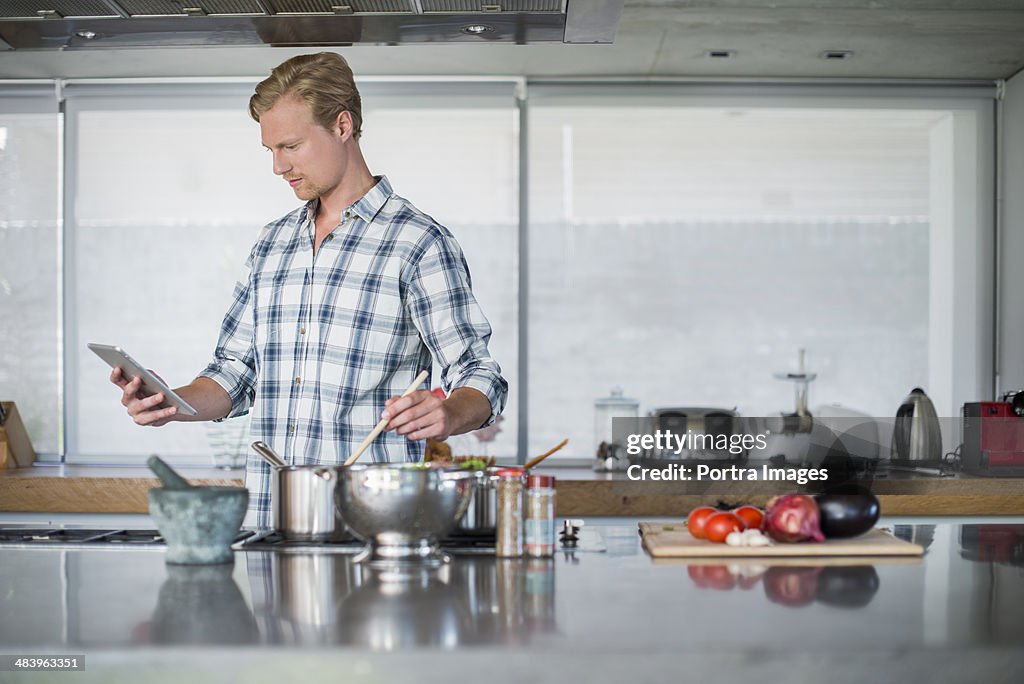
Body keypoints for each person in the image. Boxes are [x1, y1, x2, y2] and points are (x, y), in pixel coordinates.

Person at [110, 52, 508, 527]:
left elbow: (480, 374)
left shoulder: (417, 243)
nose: (279, 166)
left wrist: (449, 412)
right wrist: (172, 403)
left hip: (371, 527)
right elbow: (234, 373)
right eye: (270, 151)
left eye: (291, 146)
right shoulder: (272, 244)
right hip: (272, 523)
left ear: (342, 125)